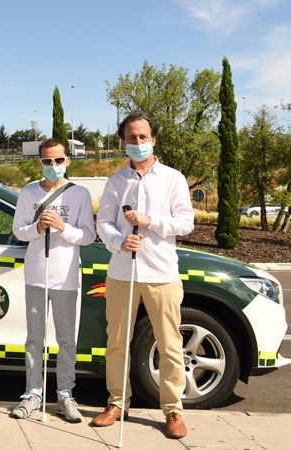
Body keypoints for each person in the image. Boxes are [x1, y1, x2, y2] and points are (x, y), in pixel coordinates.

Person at [93, 112, 194, 439]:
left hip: (162, 271)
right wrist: (120, 241)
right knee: (117, 342)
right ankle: (117, 402)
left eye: (143, 137)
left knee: (169, 344)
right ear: (123, 141)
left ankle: (173, 409)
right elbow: (103, 224)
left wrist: (150, 221)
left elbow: (186, 223)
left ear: (153, 139)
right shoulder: (116, 181)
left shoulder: (173, 178)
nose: (137, 143)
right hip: (123, 271)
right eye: (131, 138)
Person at [10, 139, 96, 422]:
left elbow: (88, 235)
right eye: (47, 161)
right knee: (34, 338)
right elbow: (19, 231)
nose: (53, 166)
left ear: (67, 161)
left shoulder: (80, 194)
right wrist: (37, 227)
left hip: (66, 277)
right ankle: (32, 394)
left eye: (58, 160)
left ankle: (65, 395)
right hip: (36, 274)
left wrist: (63, 228)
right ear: (39, 163)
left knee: (66, 339)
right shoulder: (28, 192)